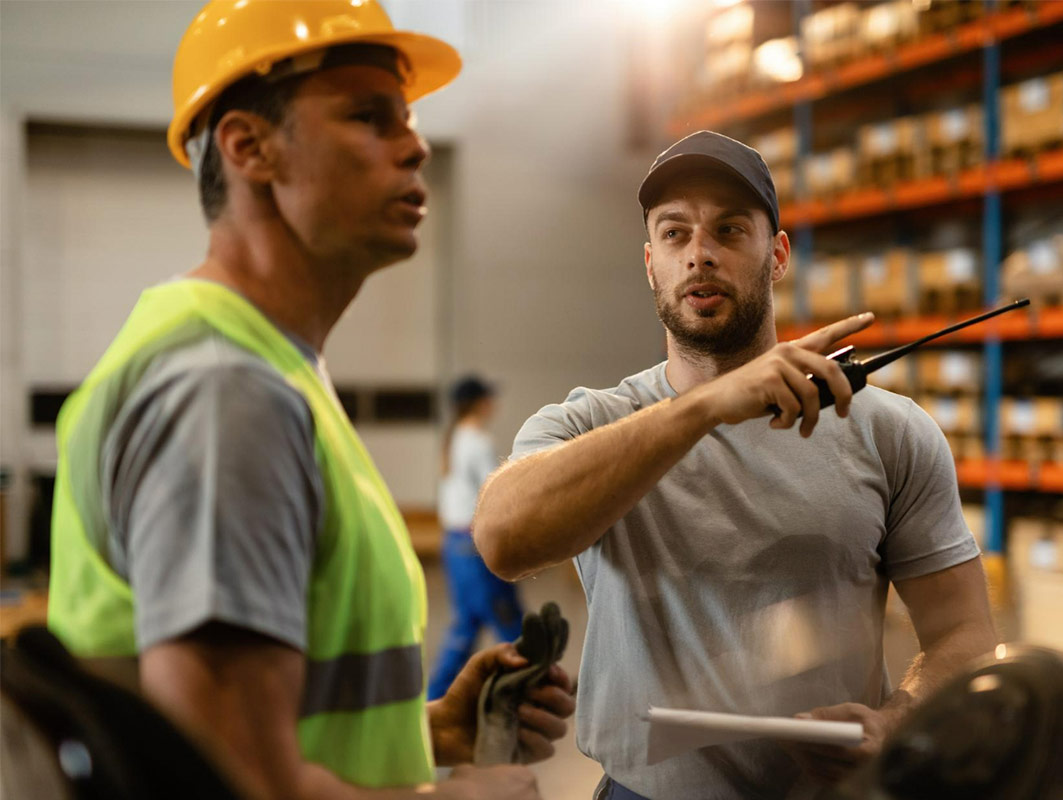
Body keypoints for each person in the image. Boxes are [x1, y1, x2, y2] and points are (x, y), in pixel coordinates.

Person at [45, 3, 574, 799]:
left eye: (409, 118)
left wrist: (429, 730)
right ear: (249, 148)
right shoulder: (225, 393)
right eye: (369, 117)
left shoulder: (264, 366)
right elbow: (226, 780)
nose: (417, 145)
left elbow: (265, 725)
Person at [473, 130, 998, 799]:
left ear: (776, 255)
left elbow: (965, 632)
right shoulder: (589, 426)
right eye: (674, 234)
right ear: (650, 262)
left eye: (729, 229)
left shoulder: (890, 432)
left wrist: (898, 721)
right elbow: (501, 539)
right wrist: (706, 408)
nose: (700, 254)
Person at [428, 376, 525, 700]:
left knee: (467, 623)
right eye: (489, 398)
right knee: (507, 621)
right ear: (479, 402)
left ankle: (436, 695)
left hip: (455, 543)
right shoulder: (477, 440)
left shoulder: (454, 436)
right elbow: (492, 493)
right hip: (474, 545)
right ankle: (530, 685)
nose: (493, 404)